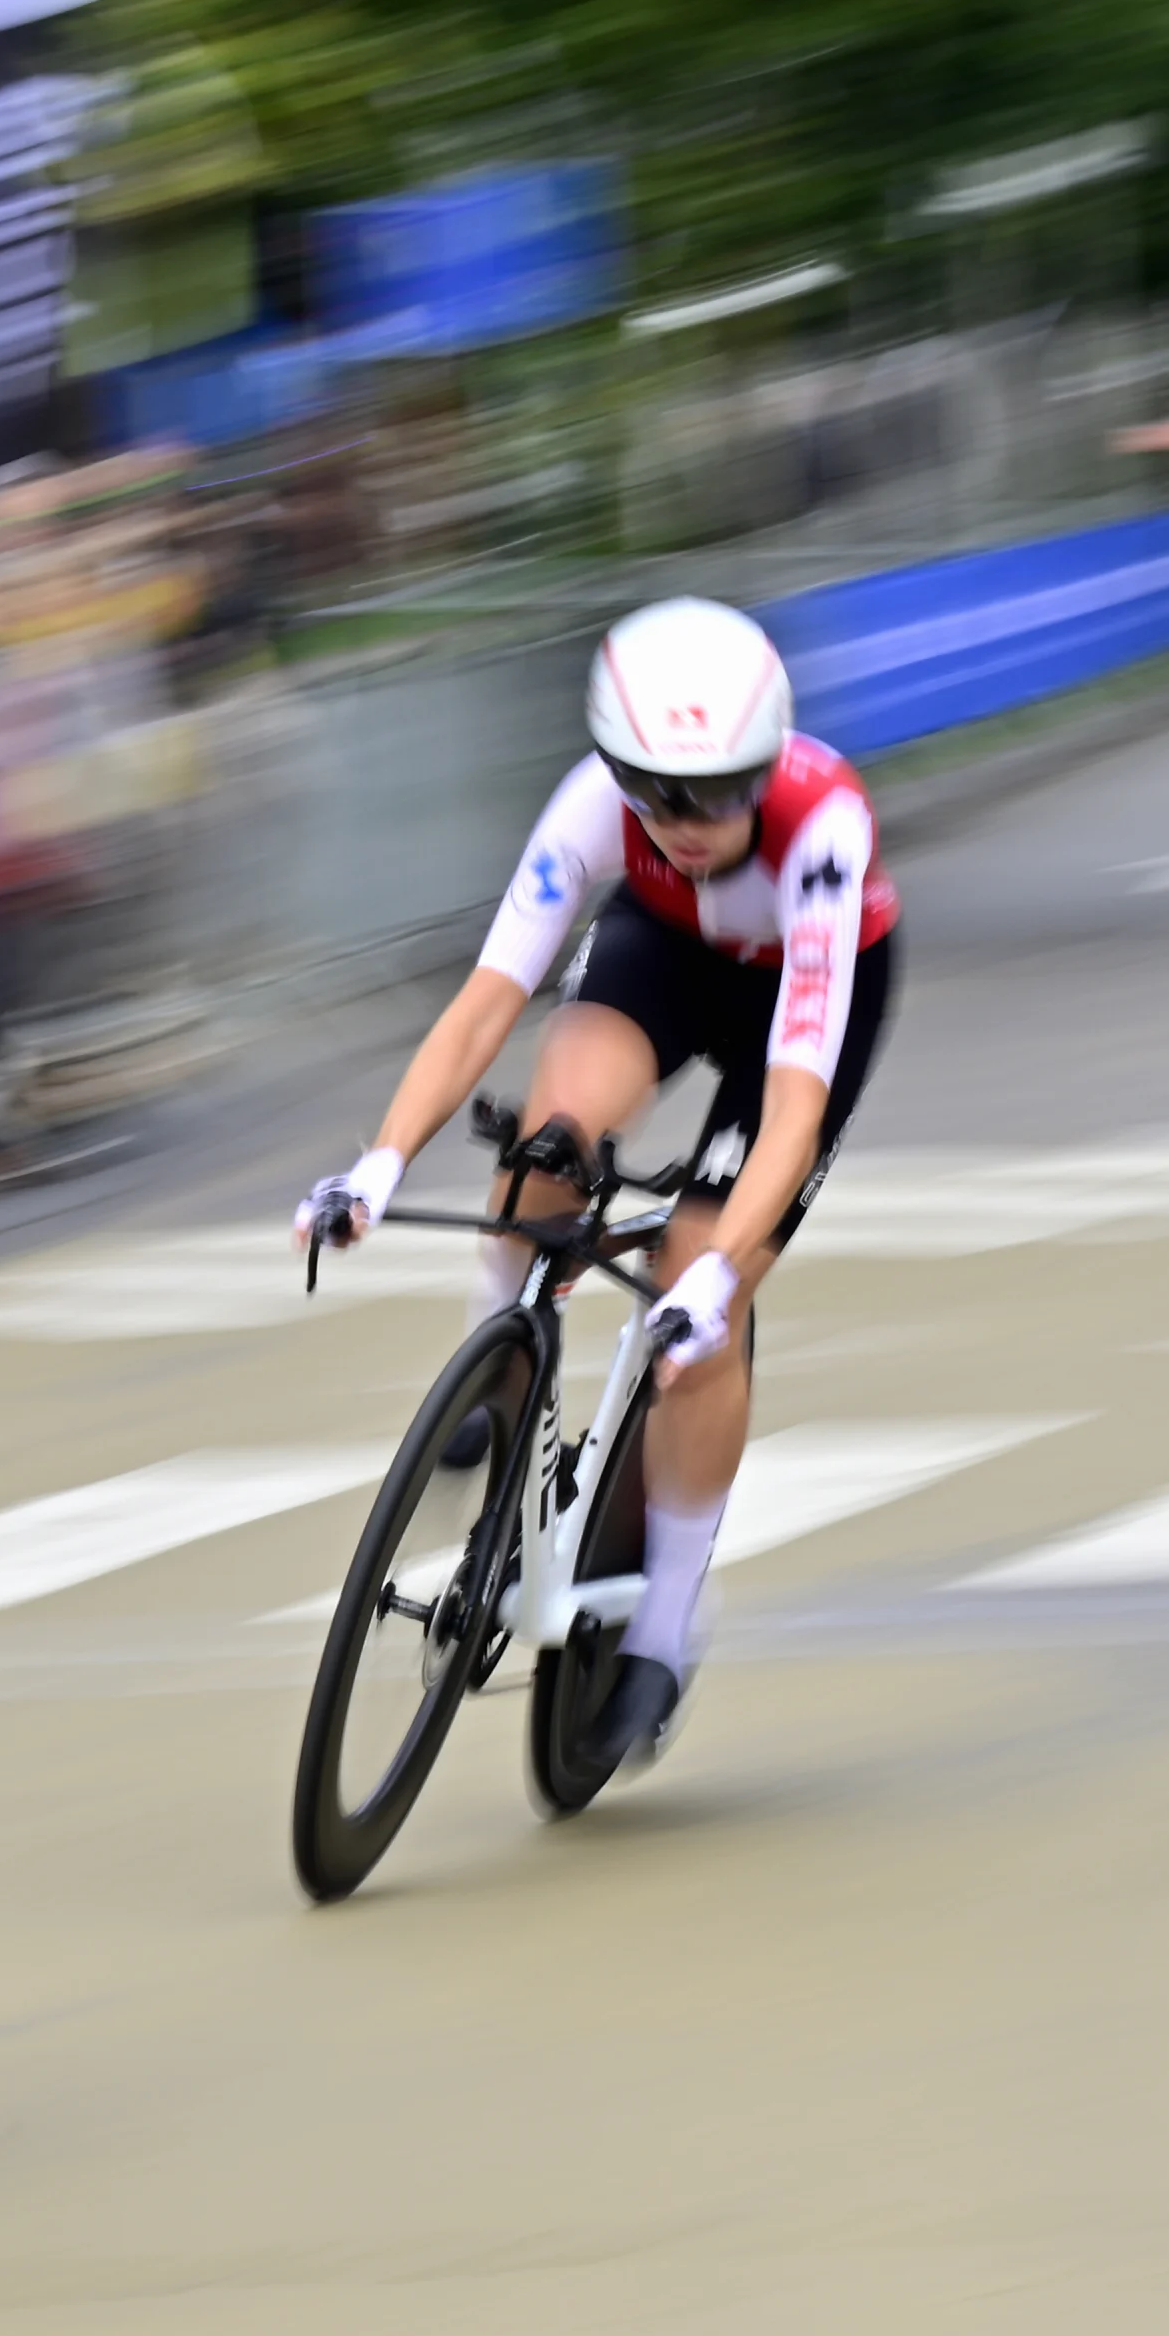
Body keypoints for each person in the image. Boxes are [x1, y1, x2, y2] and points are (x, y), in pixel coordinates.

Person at [296, 597, 900, 1771]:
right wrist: (377, 1164)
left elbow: (792, 1105)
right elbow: (484, 1004)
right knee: (547, 1143)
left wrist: (718, 1278)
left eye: (723, 793)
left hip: (803, 1001)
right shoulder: (593, 808)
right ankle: (495, 1366)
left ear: (766, 770)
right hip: (668, 955)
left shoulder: (822, 829)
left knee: (694, 1294)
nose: (687, 821)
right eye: (658, 793)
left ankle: (666, 1625)